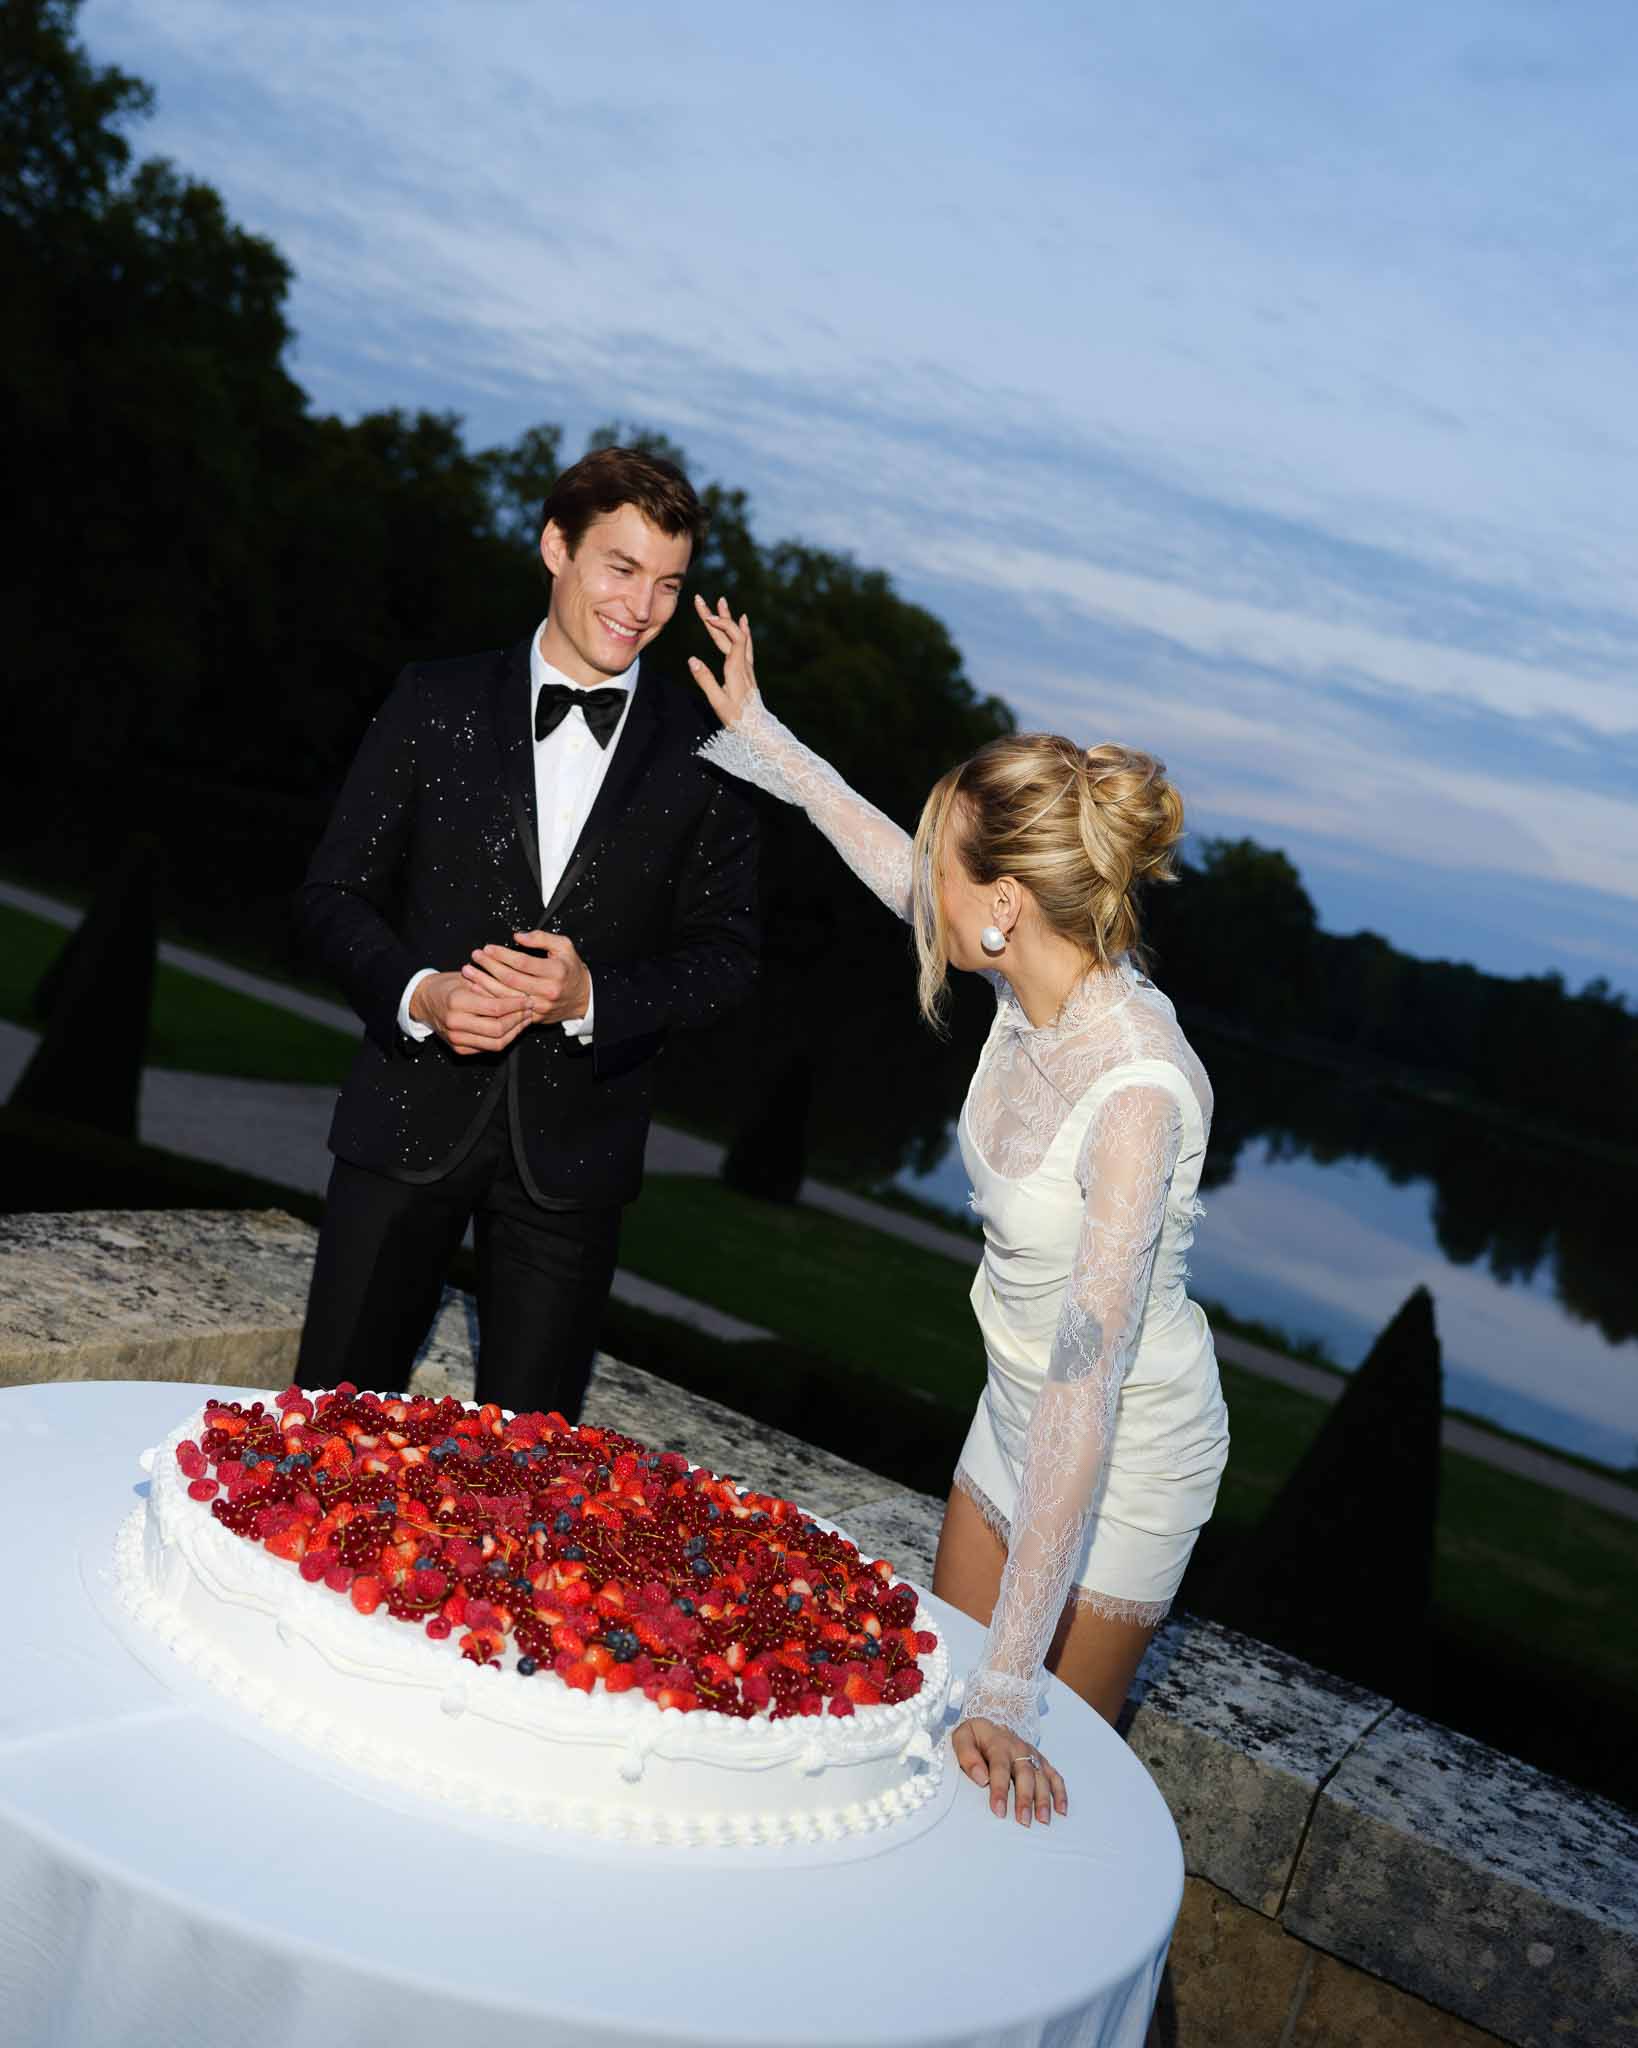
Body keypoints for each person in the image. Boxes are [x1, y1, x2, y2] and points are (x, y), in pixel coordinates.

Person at [689, 597, 1229, 1828]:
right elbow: (889, 857)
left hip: (1121, 1453)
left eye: (949, 858)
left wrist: (1012, 1684)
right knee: (928, 1716)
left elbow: (1088, 1390)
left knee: (1021, 1767)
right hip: (1012, 1409)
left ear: (1007, 905)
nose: (924, 877)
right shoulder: (1031, 986)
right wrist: (764, 733)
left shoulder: (1135, 1089)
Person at [292, 449, 759, 1420]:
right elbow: (332, 894)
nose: (642, 607)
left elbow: (728, 960)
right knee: (325, 1434)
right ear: (556, 546)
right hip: (401, 1125)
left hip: (575, 1166)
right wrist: (422, 994)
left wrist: (593, 997)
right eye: (621, 568)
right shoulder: (433, 698)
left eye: (668, 583)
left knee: (530, 1474)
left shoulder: (714, 752)